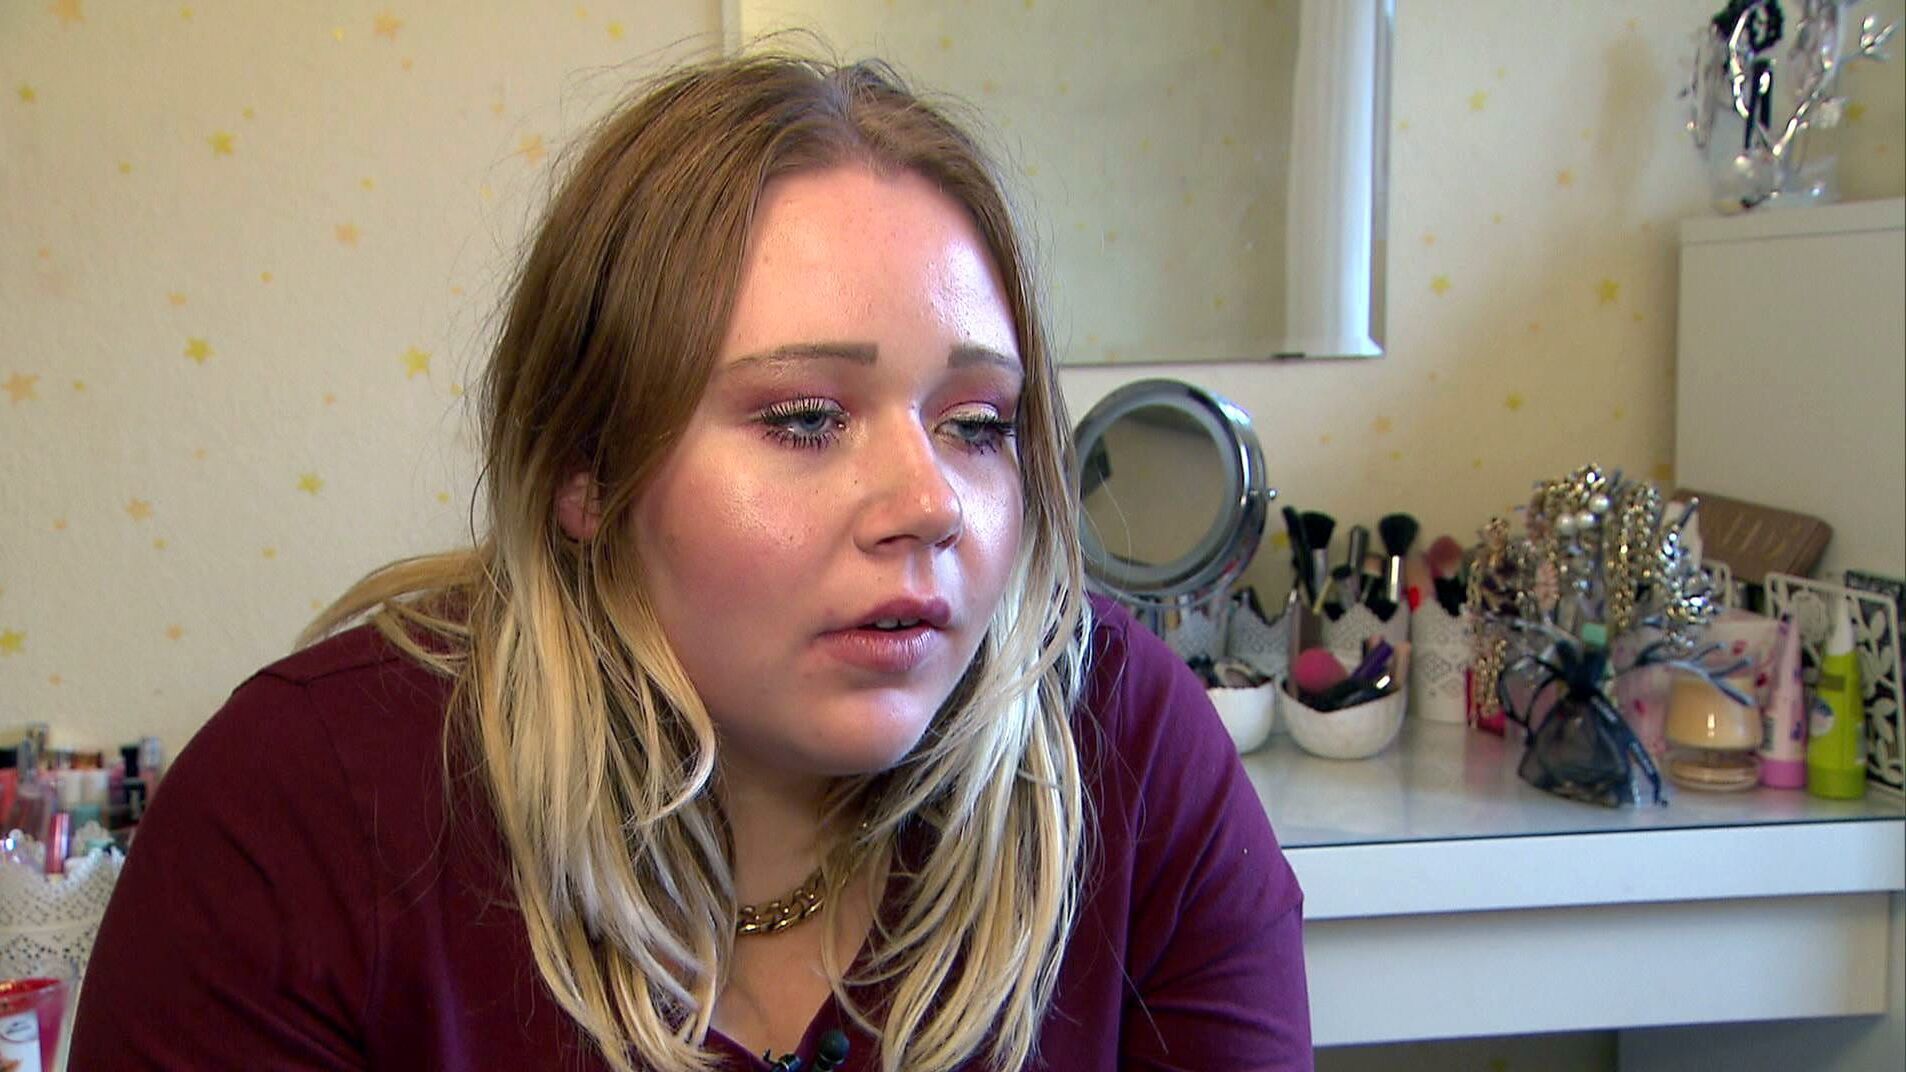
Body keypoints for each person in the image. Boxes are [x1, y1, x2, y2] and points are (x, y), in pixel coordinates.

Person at [70, 51, 1310, 1071]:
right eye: (805, 418)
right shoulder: (299, 812)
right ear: (585, 468)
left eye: (979, 424)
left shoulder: (1124, 748)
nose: (932, 503)